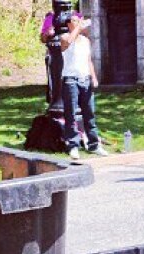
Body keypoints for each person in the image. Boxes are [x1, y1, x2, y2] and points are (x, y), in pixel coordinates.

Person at [60, 14, 107, 159]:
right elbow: (68, 41)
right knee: (71, 114)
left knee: (89, 113)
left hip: (85, 79)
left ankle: (94, 144)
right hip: (70, 80)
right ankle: (73, 145)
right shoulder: (64, 37)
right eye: (74, 20)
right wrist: (78, 29)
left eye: (79, 20)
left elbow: (88, 61)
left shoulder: (85, 41)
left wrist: (93, 77)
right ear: (68, 24)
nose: (79, 22)